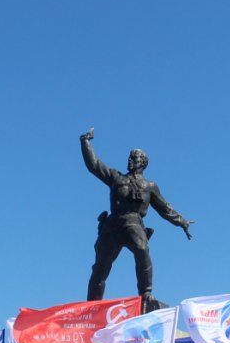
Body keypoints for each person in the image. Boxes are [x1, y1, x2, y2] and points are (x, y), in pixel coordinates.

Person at [79, 127, 194, 308]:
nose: (130, 161)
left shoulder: (150, 186)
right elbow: (94, 165)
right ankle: (91, 306)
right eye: (129, 158)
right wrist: (85, 143)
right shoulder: (116, 178)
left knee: (142, 250)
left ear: (143, 163)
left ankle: (146, 293)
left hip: (133, 222)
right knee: (100, 266)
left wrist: (182, 222)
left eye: (134, 158)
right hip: (113, 224)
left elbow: (165, 208)